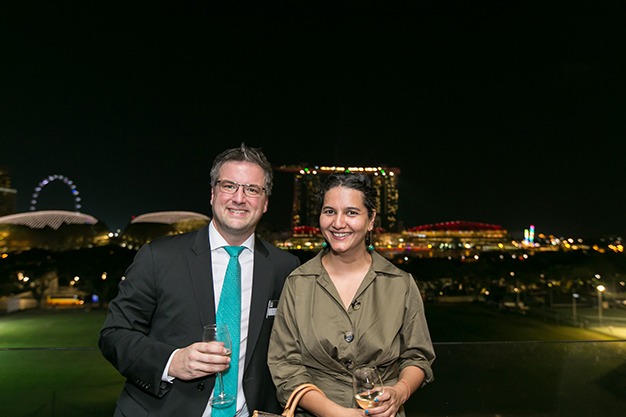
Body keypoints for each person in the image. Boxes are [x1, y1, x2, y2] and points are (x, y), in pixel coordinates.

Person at [99, 143, 300, 417]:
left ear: (265, 202)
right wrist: (172, 362)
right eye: (229, 186)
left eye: (252, 189)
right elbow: (114, 334)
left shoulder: (284, 266)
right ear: (213, 193)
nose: (239, 198)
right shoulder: (158, 257)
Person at [268, 172, 435, 417]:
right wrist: (334, 412)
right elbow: (285, 365)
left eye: (351, 213)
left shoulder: (400, 283)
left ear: (371, 220)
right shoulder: (298, 283)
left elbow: (417, 357)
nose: (338, 223)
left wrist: (399, 392)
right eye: (329, 211)